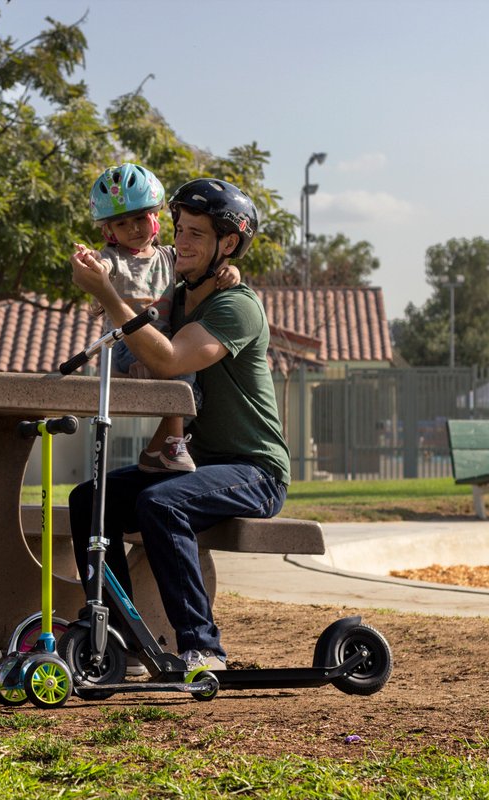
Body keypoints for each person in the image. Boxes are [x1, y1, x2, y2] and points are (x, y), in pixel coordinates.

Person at [68, 178, 290, 672]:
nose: (182, 242)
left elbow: (168, 360)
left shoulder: (236, 306)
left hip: (255, 471)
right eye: (179, 230)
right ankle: (121, 642)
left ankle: (203, 648)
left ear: (227, 245)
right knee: (88, 500)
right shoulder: (180, 296)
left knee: (162, 503)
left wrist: (107, 294)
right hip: (198, 466)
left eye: (196, 234)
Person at [74, 163, 239, 474]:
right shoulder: (114, 257)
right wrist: (92, 263)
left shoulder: (169, 256)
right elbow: (103, 268)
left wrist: (231, 271)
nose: (134, 228)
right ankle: (174, 443)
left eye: (139, 218)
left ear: (155, 217)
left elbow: (201, 265)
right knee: (181, 372)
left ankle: (159, 447)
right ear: (109, 232)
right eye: (122, 224)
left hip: (156, 343)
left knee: (182, 371)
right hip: (125, 343)